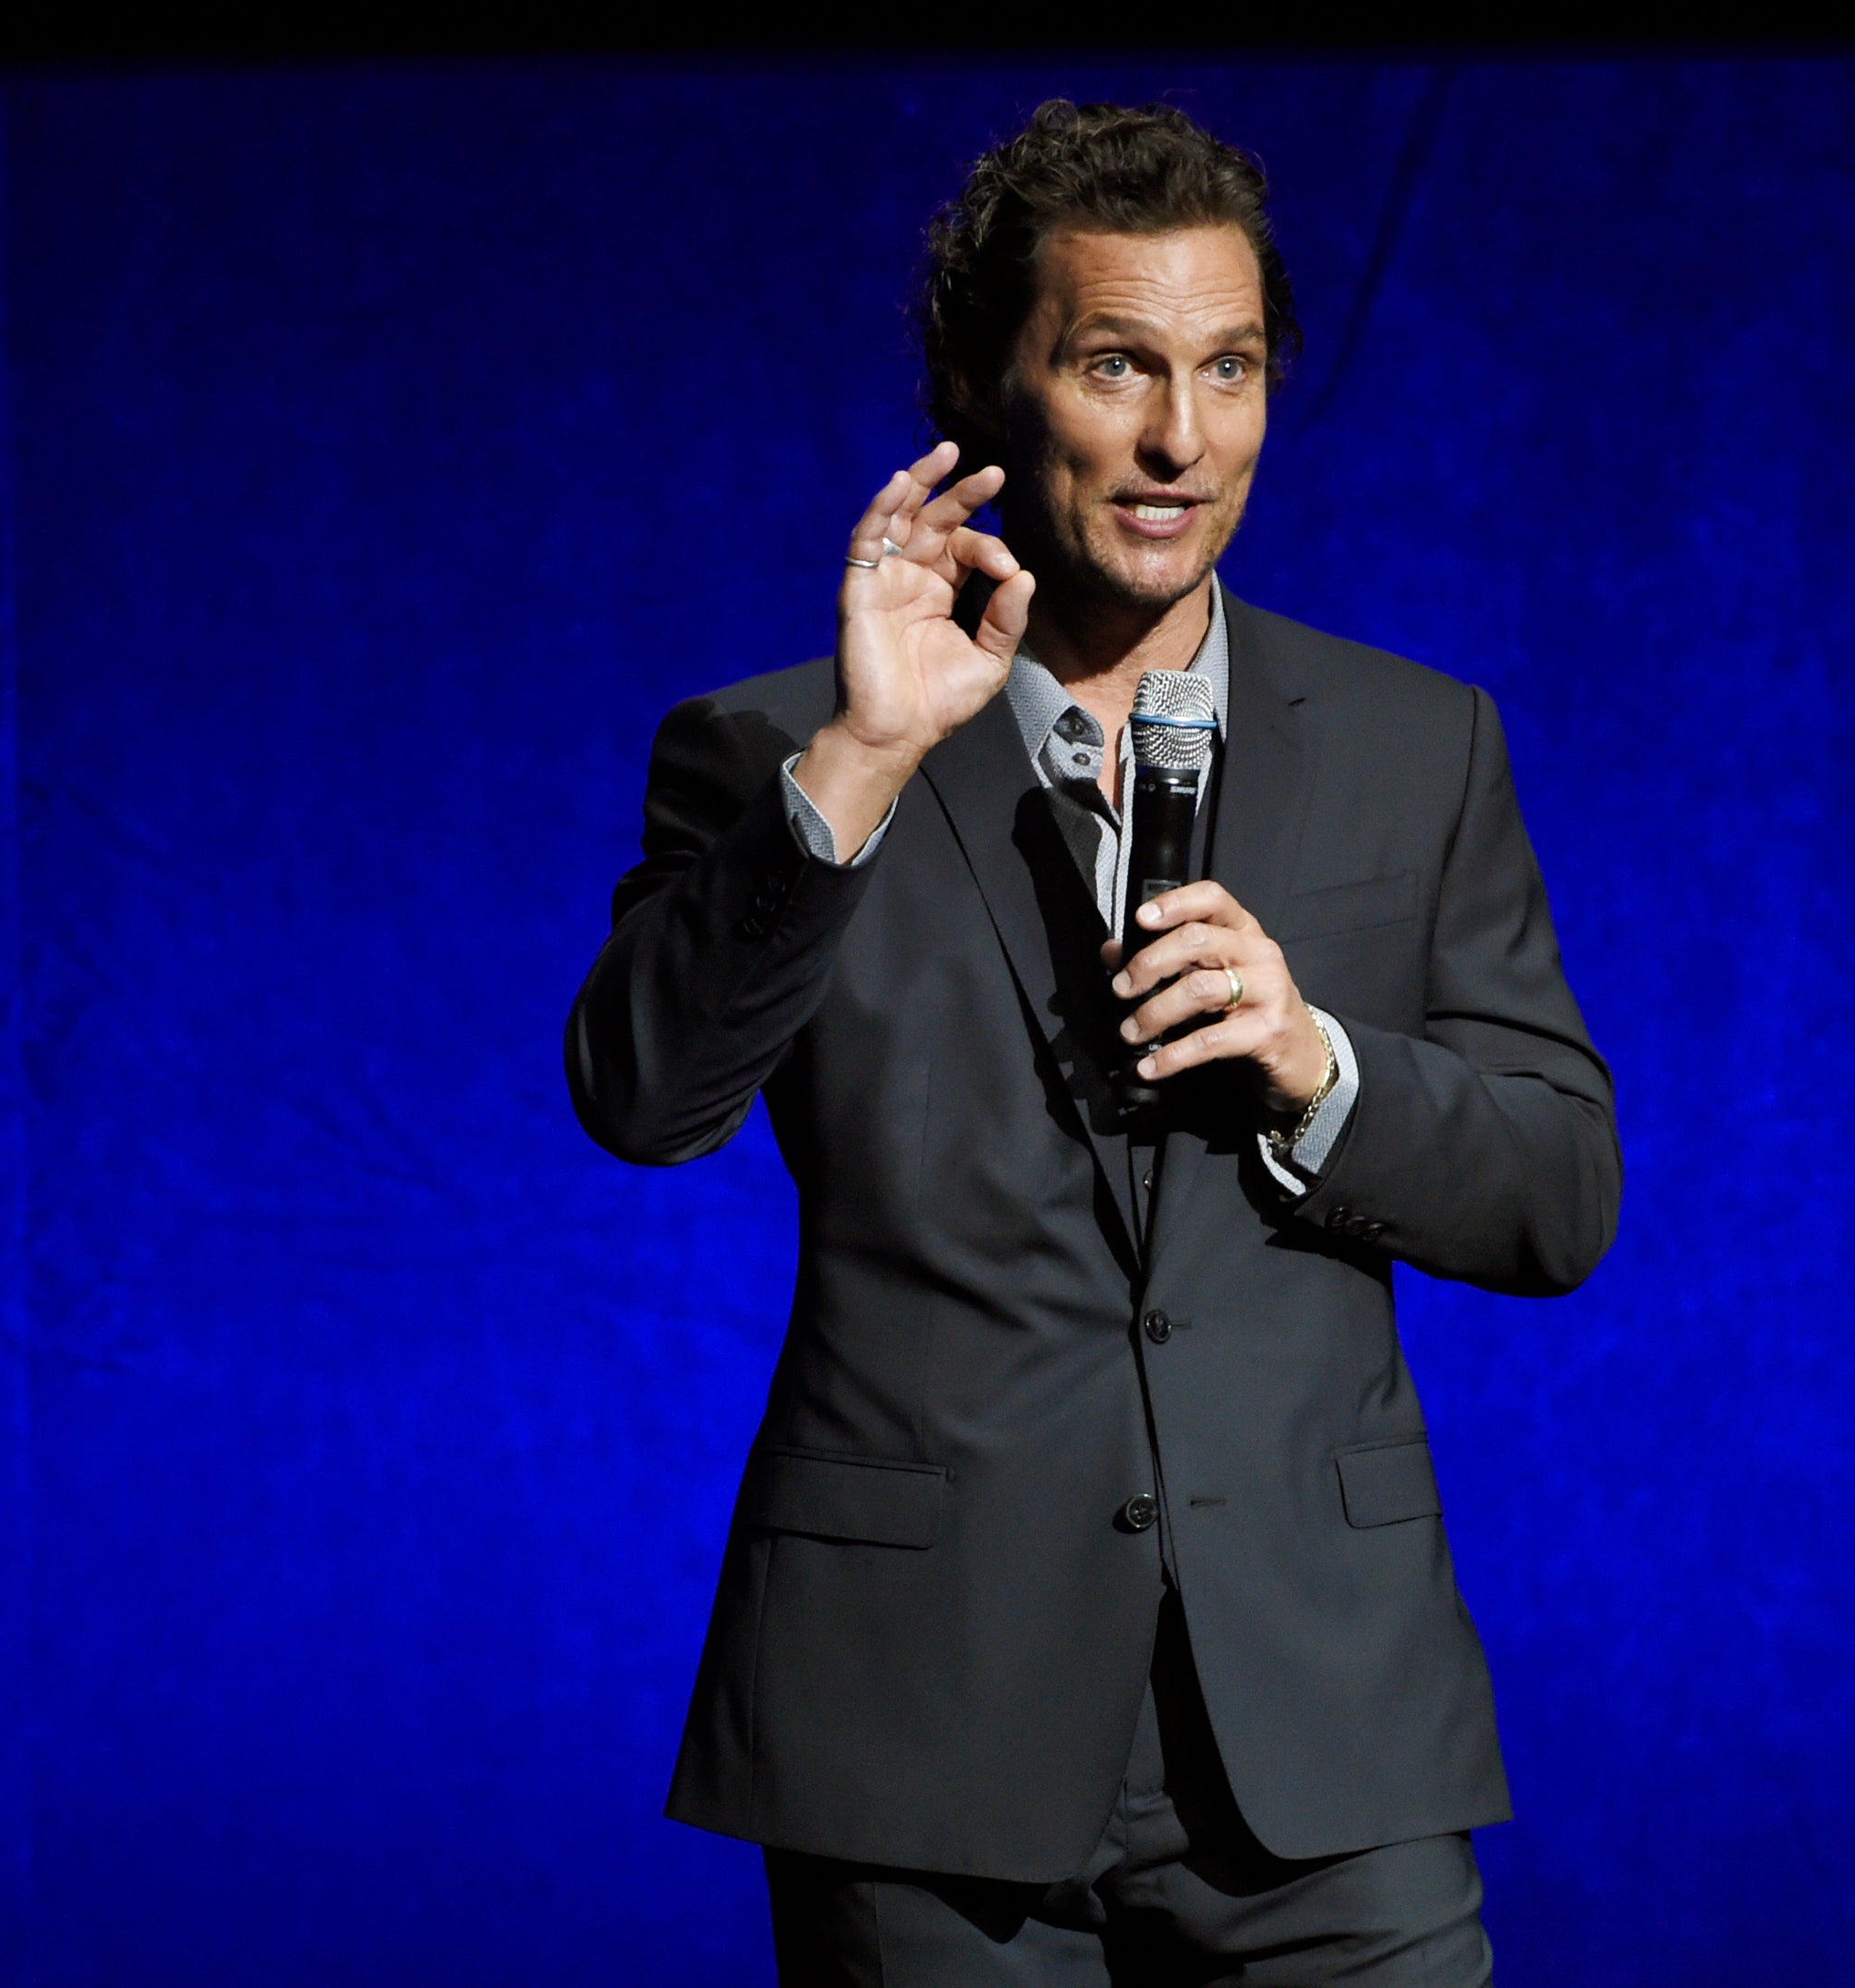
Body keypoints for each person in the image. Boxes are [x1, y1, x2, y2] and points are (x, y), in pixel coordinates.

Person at [566, 99, 1618, 1985]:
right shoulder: (775, 744)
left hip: (1326, 1734)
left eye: (1228, 368)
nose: (1180, 439)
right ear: (991, 384)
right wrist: (864, 761)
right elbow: (642, 1098)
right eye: (1117, 363)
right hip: (919, 1732)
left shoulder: (1420, 739)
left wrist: (1321, 1064)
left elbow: (1559, 1192)